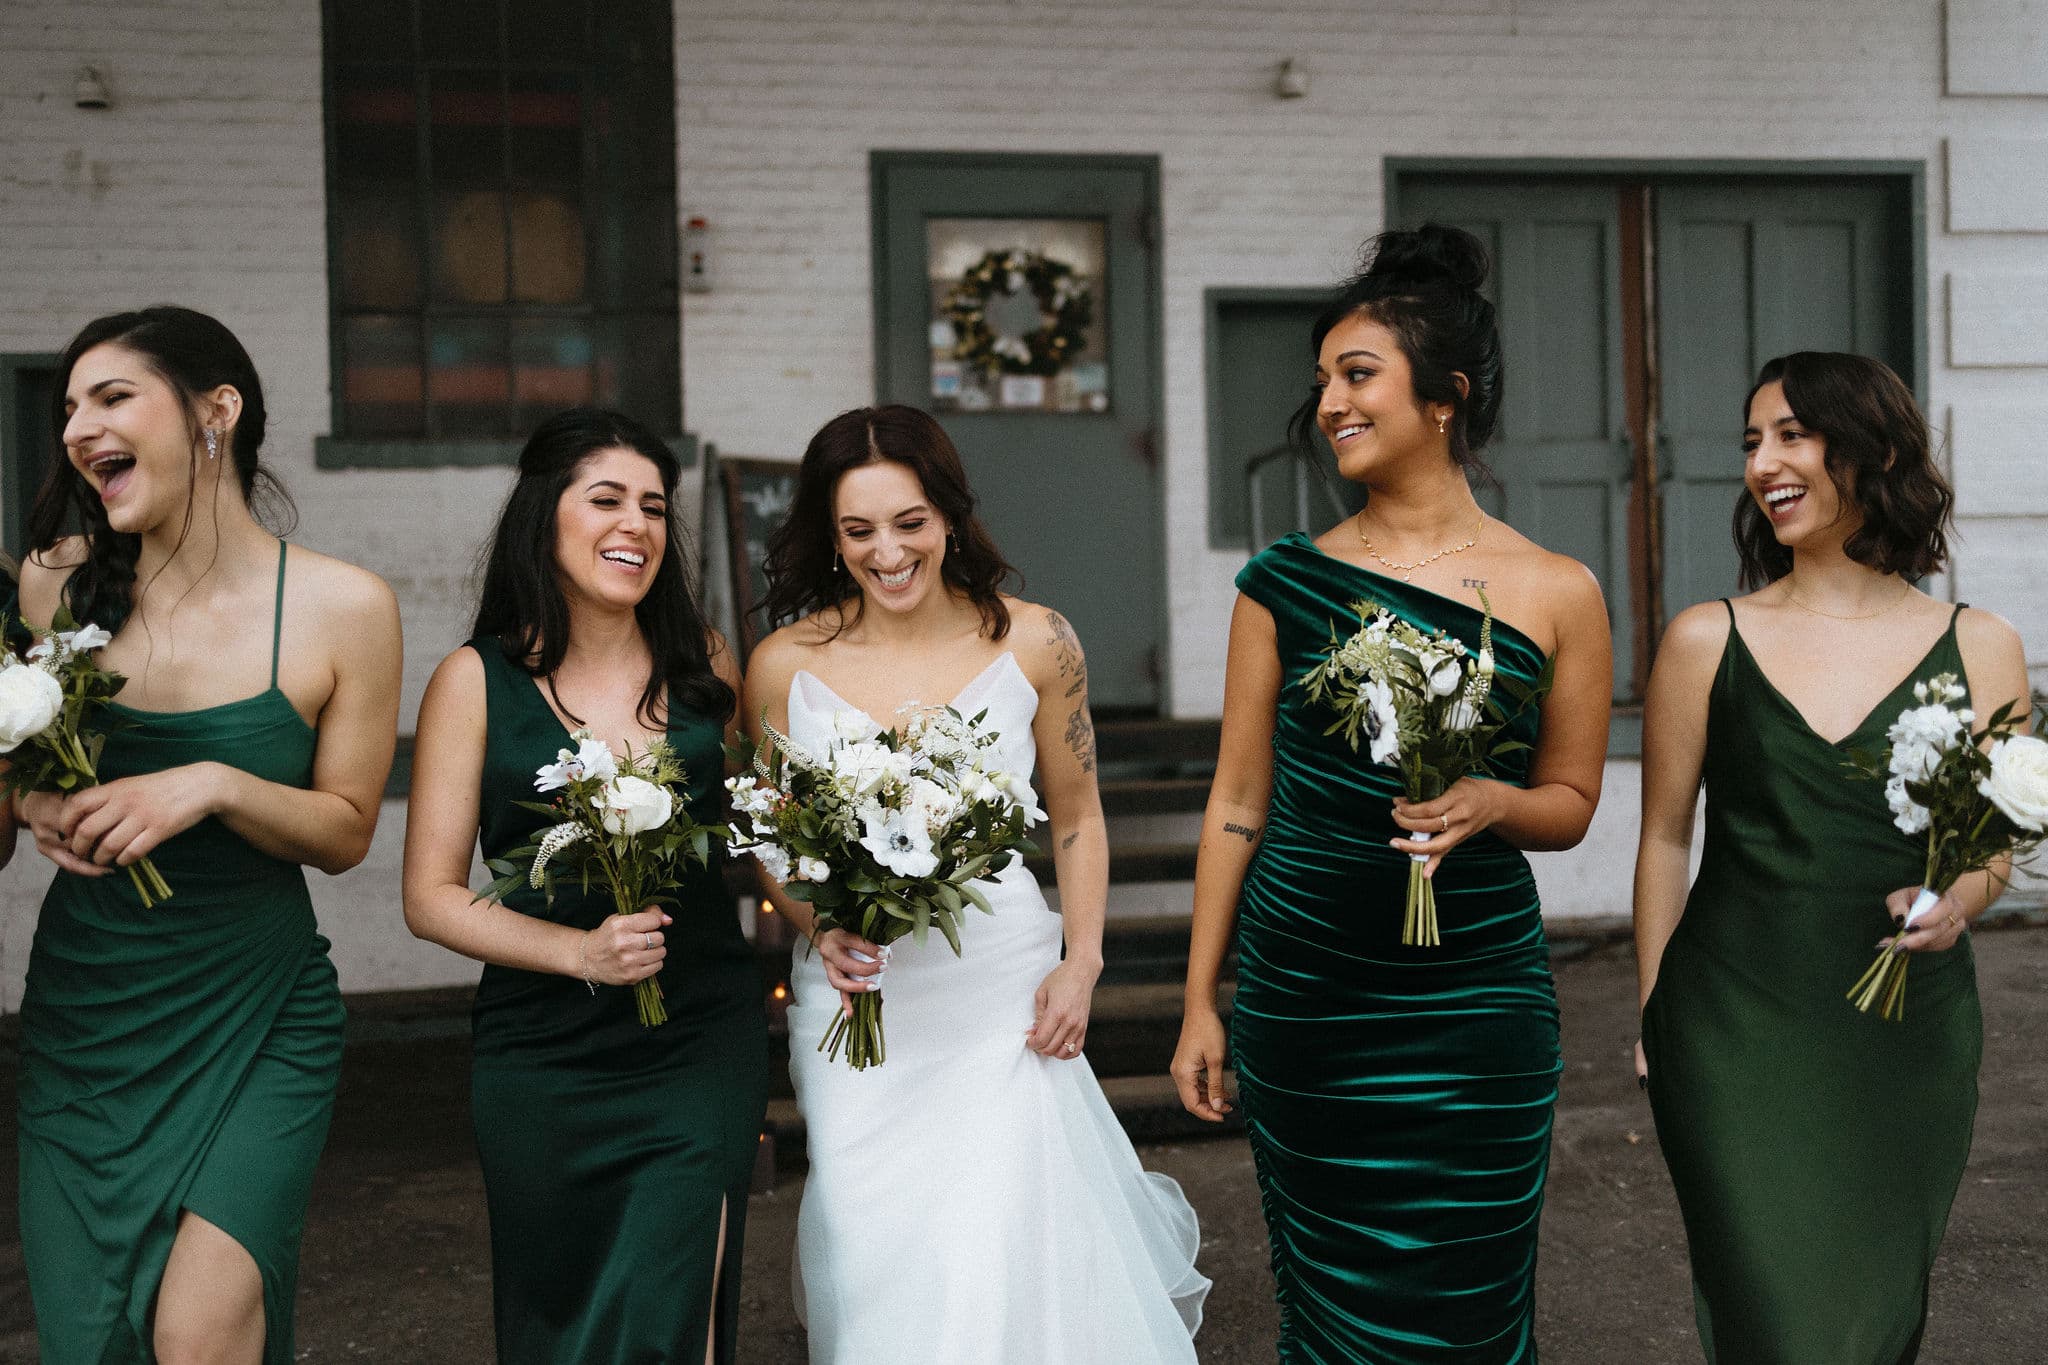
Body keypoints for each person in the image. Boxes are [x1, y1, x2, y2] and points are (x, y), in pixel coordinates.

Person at [1172, 225, 1613, 1364]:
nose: (1327, 402)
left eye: (1355, 374)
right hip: (1306, 989)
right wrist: (1198, 999)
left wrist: (1491, 803)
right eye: (1321, 380)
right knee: (1329, 1308)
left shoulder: (1558, 590)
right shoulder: (1281, 584)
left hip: (1476, 1003)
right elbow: (1234, 800)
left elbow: (1568, 798)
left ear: (1444, 399)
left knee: (1471, 1302)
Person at [744, 404, 1208, 1365]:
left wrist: (1083, 963)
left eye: (908, 521)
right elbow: (775, 838)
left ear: (949, 514)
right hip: (858, 999)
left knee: (1004, 1235)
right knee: (874, 1233)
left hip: (997, 983)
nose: (888, 551)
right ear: (829, 539)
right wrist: (815, 922)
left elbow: (1077, 818)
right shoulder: (784, 665)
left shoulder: (1037, 642)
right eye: (858, 529)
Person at [5, 305, 402, 1363]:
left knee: (199, 1337)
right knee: (90, 1343)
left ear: (214, 411)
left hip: (257, 1011)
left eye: (112, 396)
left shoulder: (342, 606)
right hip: (88, 1020)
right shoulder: (48, 584)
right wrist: (31, 797)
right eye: (70, 407)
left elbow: (346, 831)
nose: (79, 427)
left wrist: (215, 782)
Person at [1634, 352, 2027, 1363]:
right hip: (1729, 1035)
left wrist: (1960, 903)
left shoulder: (1978, 643)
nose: (1761, 461)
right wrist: (1652, 1016)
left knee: (1866, 1321)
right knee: (1769, 1315)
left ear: (1875, 452)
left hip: (1900, 1042)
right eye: (1750, 442)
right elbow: (1664, 837)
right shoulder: (1701, 641)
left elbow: (1989, 847)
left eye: (1789, 436)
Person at [402, 409, 768, 1364]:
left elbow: (763, 837)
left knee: (674, 1299)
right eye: (606, 499)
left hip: (697, 1032)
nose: (637, 525)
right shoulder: (474, 682)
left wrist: (830, 915)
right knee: (557, 1318)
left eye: (654, 506)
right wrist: (575, 951)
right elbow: (431, 895)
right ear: (544, 517)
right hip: (543, 1053)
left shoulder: (706, 665)